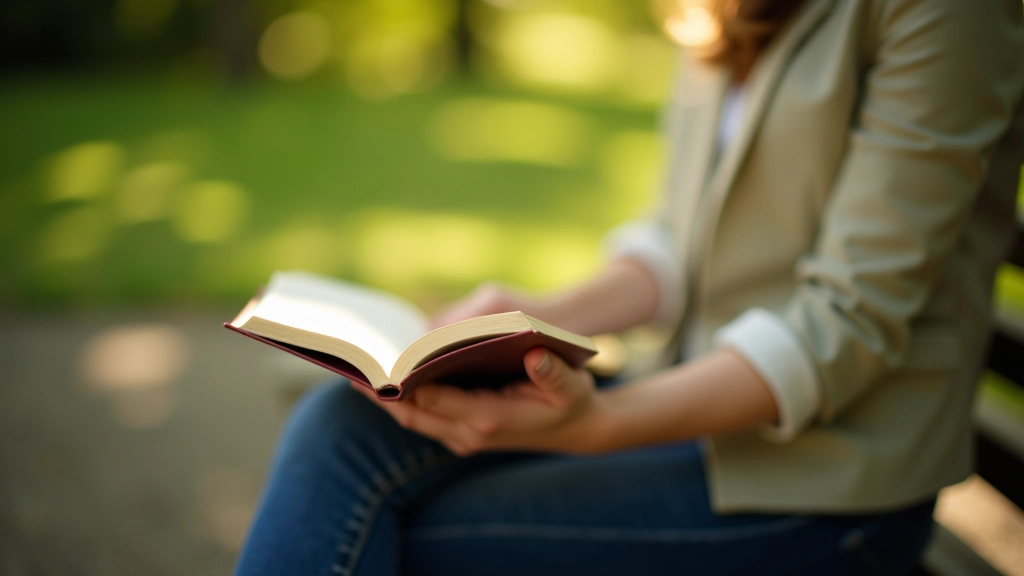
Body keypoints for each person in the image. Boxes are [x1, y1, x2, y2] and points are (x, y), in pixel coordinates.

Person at [234, 0, 1024, 574]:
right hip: (702, 422)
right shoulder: (722, 12)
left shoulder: (945, 15)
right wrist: (527, 313)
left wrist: (596, 425)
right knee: (344, 422)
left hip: (830, 488)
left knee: (400, 529)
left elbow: (846, 323)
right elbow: (677, 243)